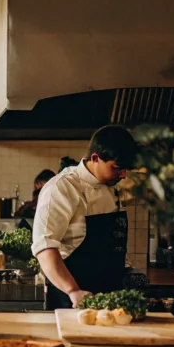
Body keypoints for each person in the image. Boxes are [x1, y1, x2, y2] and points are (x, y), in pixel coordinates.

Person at [31, 125, 137, 309]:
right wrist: (73, 291)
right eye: (117, 168)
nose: (123, 174)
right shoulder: (62, 188)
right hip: (71, 297)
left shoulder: (111, 185)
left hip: (110, 295)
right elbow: (44, 248)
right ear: (95, 158)